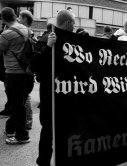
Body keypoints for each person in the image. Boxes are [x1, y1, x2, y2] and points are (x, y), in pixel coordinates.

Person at [31, 9, 75, 166]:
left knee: (65, 130)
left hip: (66, 92)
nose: (75, 26)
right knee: (48, 130)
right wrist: (49, 47)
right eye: (74, 23)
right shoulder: (45, 38)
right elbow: (34, 64)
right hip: (50, 94)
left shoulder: (73, 40)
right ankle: (43, 162)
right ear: (68, 23)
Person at [0, 7, 31, 144]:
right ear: (15, 15)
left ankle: (22, 136)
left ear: (3, 19)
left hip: (14, 74)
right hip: (28, 73)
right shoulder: (26, 29)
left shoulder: (6, 34)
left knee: (18, 106)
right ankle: (11, 127)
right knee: (18, 104)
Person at [18, 9, 36, 130]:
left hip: (24, 69)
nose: (18, 19)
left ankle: (27, 121)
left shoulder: (25, 32)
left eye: (20, 17)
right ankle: (26, 121)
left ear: (24, 19)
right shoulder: (31, 33)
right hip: (28, 69)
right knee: (25, 96)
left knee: (24, 96)